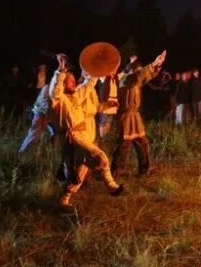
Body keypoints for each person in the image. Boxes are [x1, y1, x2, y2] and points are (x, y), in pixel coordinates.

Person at [50, 53, 124, 207]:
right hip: (74, 137)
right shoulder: (60, 99)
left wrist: (97, 66)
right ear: (64, 84)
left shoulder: (77, 94)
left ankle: (65, 198)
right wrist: (61, 70)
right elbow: (54, 90)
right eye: (70, 81)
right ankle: (111, 186)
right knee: (99, 156)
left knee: (84, 166)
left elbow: (90, 83)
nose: (74, 81)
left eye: (73, 80)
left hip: (84, 134)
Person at [113, 51, 167, 176]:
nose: (139, 71)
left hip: (134, 116)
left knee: (142, 142)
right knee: (124, 144)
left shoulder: (131, 79)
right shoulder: (125, 80)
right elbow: (139, 76)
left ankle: (144, 169)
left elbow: (141, 76)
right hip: (126, 116)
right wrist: (154, 64)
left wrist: (153, 65)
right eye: (137, 70)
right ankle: (117, 170)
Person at [17, 82, 56, 153]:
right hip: (41, 115)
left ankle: (49, 151)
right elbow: (44, 103)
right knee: (34, 134)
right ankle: (22, 152)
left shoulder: (54, 88)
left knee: (54, 133)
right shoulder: (49, 88)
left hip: (47, 115)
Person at [96, 70, 122, 141]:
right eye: (112, 70)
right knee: (102, 122)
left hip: (114, 104)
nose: (113, 71)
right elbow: (98, 75)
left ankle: (104, 138)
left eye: (115, 70)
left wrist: (131, 63)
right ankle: (101, 138)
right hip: (106, 103)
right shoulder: (104, 78)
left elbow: (124, 72)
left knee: (108, 122)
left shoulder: (116, 79)